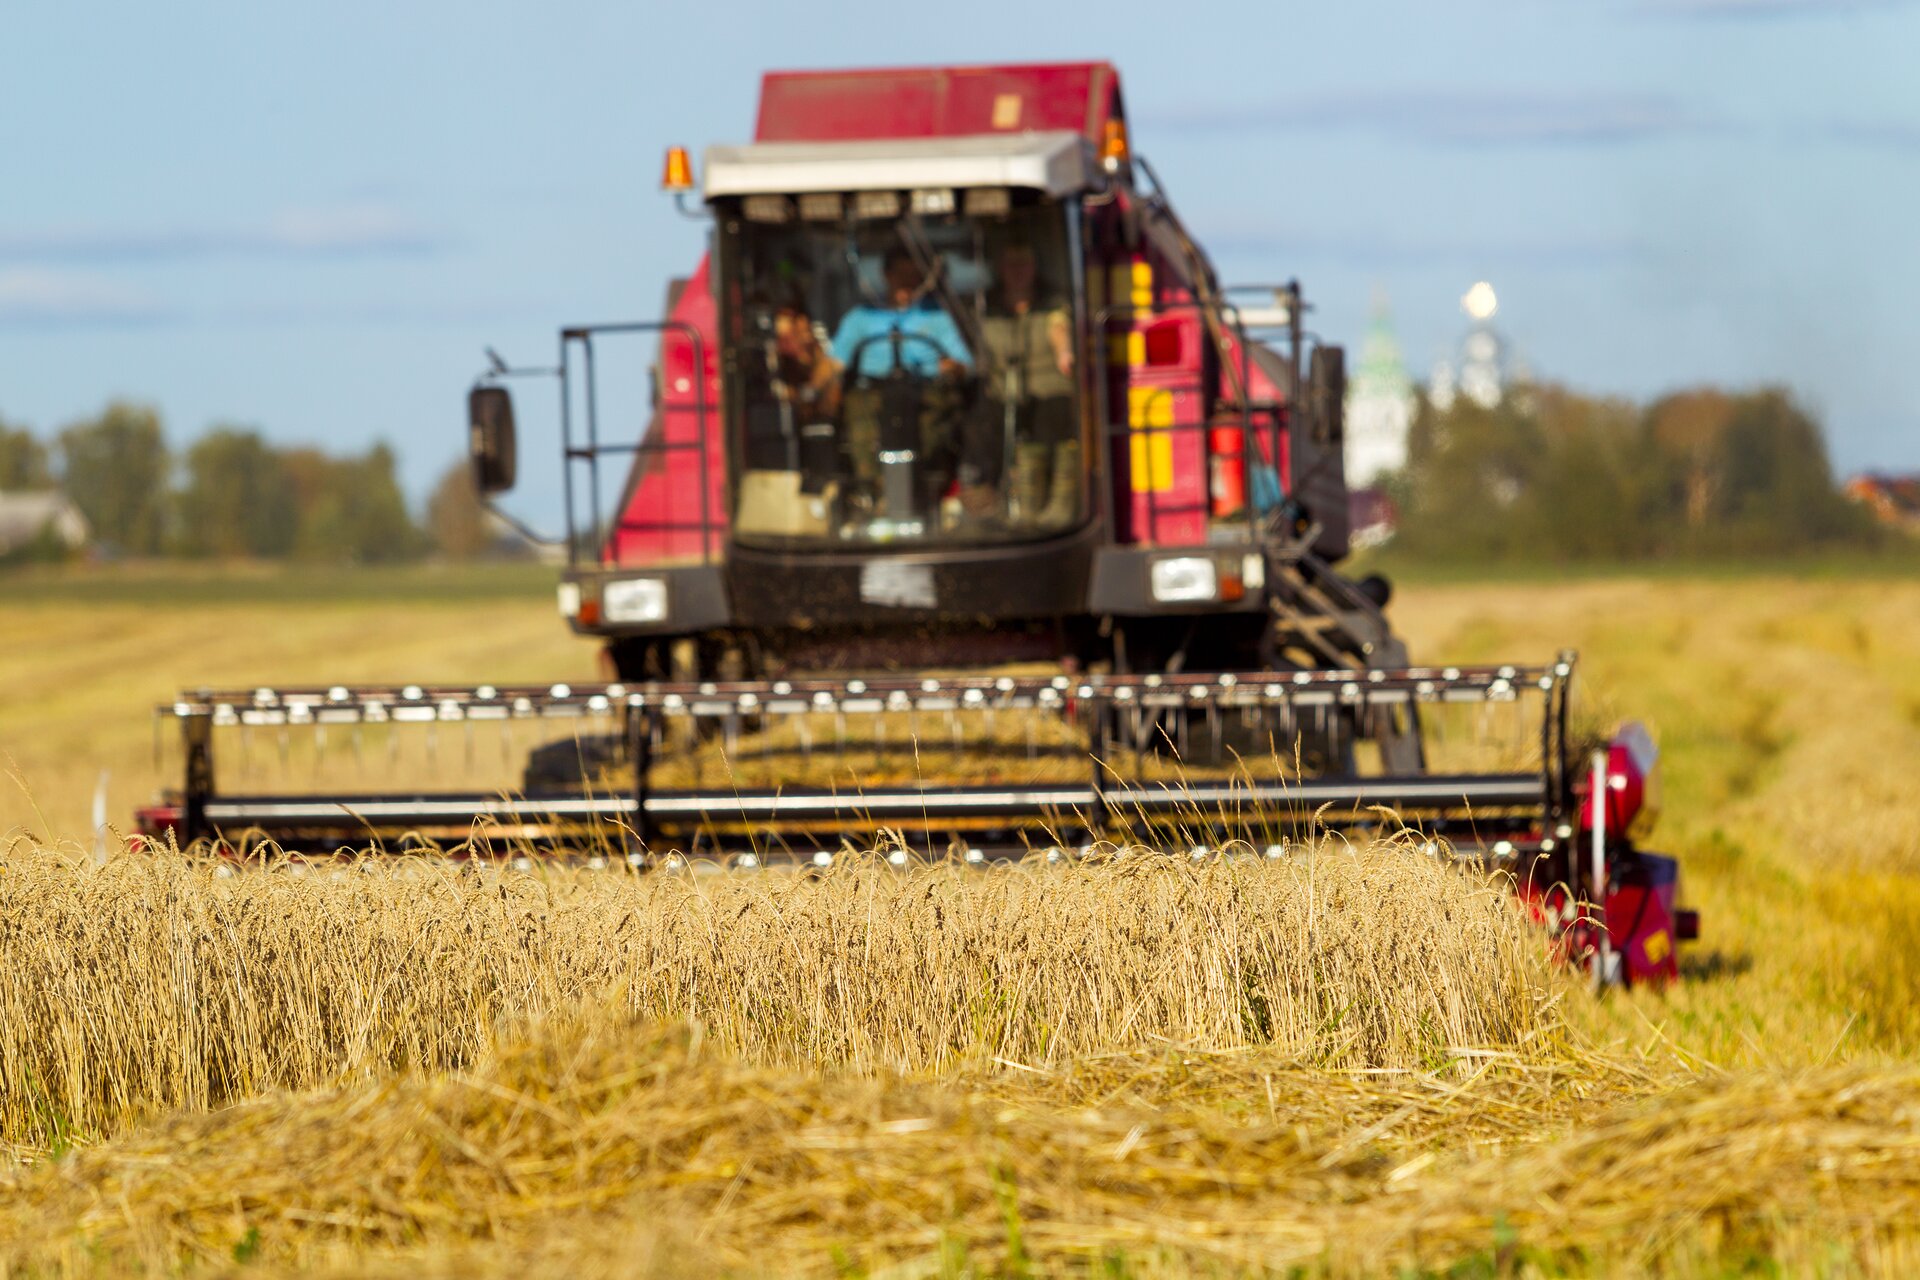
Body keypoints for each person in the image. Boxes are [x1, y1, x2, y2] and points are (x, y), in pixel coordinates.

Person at [829, 245, 976, 516]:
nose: (907, 282)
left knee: (933, 430)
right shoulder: (860, 317)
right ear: (886, 275)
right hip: (872, 393)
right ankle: (874, 493)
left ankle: (927, 491)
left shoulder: (938, 317)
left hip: (925, 393)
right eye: (901, 274)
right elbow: (834, 364)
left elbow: (966, 365)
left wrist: (953, 367)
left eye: (914, 274)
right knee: (861, 425)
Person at [978, 241, 1079, 528]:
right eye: (1011, 264)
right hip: (1002, 392)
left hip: (1050, 388)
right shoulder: (985, 306)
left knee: (1053, 418)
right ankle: (1002, 503)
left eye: (1024, 263)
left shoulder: (1053, 304)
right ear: (1000, 268)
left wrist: (1064, 351)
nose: (1018, 271)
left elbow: (1060, 328)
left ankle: (1057, 505)